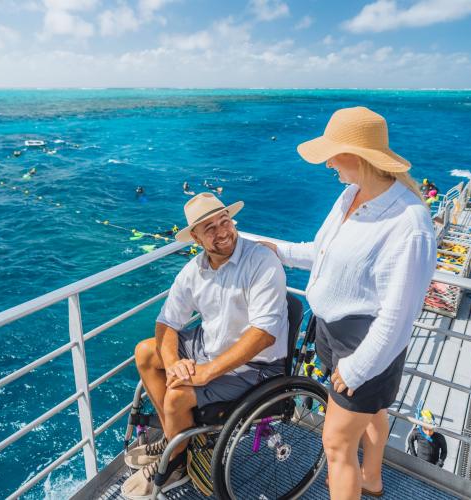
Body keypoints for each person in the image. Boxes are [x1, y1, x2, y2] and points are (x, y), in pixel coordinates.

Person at [260, 107, 435, 498]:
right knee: (372, 413)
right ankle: (371, 478)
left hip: (365, 347)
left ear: (356, 157)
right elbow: (323, 253)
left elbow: (399, 316)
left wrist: (356, 369)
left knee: (337, 445)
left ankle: (357, 480)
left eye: (332, 155)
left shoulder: (409, 224)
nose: (327, 163)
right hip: (334, 335)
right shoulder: (351, 194)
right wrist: (277, 249)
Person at [122, 193, 289, 499]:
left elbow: (264, 334)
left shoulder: (261, 262)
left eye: (224, 221)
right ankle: (176, 438)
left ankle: (173, 462)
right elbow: (167, 323)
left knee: (176, 397)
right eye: (209, 228)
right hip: (209, 345)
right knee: (146, 352)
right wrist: (173, 362)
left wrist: (206, 372)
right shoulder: (195, 269)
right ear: (196, 238)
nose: (222, 231)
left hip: (256, 365)